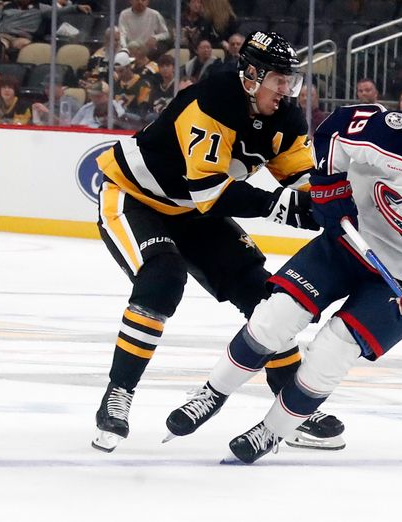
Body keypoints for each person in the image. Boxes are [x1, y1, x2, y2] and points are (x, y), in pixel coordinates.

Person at [165, 68, 402, 464]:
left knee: (334, 349)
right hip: (346, 242)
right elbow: (336, 130)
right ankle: (213, 392)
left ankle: (272, 431)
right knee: (276, 315)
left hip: (399, 277)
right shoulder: (394, 132)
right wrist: (330, 189)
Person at [91, 31, 345, 454]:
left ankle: (292, 407)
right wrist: (284, 207)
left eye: (289, 80)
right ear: (251, 75)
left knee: (266, 297)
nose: (287, 90)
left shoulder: (285, 119)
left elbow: (303, 183)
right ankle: (119, 394)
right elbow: (209, 193)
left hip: (193, 212)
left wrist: (332, 206)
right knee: (163, 277)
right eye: (278, 80)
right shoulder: (212, 102)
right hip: (135, 198)